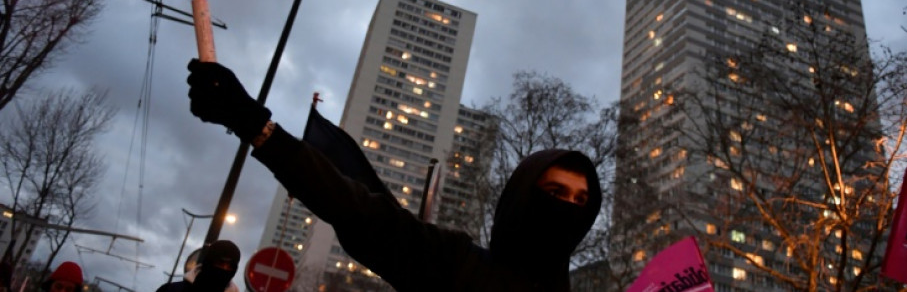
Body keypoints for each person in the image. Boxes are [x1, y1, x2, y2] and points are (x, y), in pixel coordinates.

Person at [187, 60, 601, 292]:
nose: (567, 207)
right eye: (555, 192)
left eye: (581, 201)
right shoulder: (454, 265)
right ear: (522, 198)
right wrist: (255, 126)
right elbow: (356, 209)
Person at [156, 240, 240, 292]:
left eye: (230, 267)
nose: (224, 269)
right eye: (220, 264)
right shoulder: (171, 290)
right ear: (208, 262)